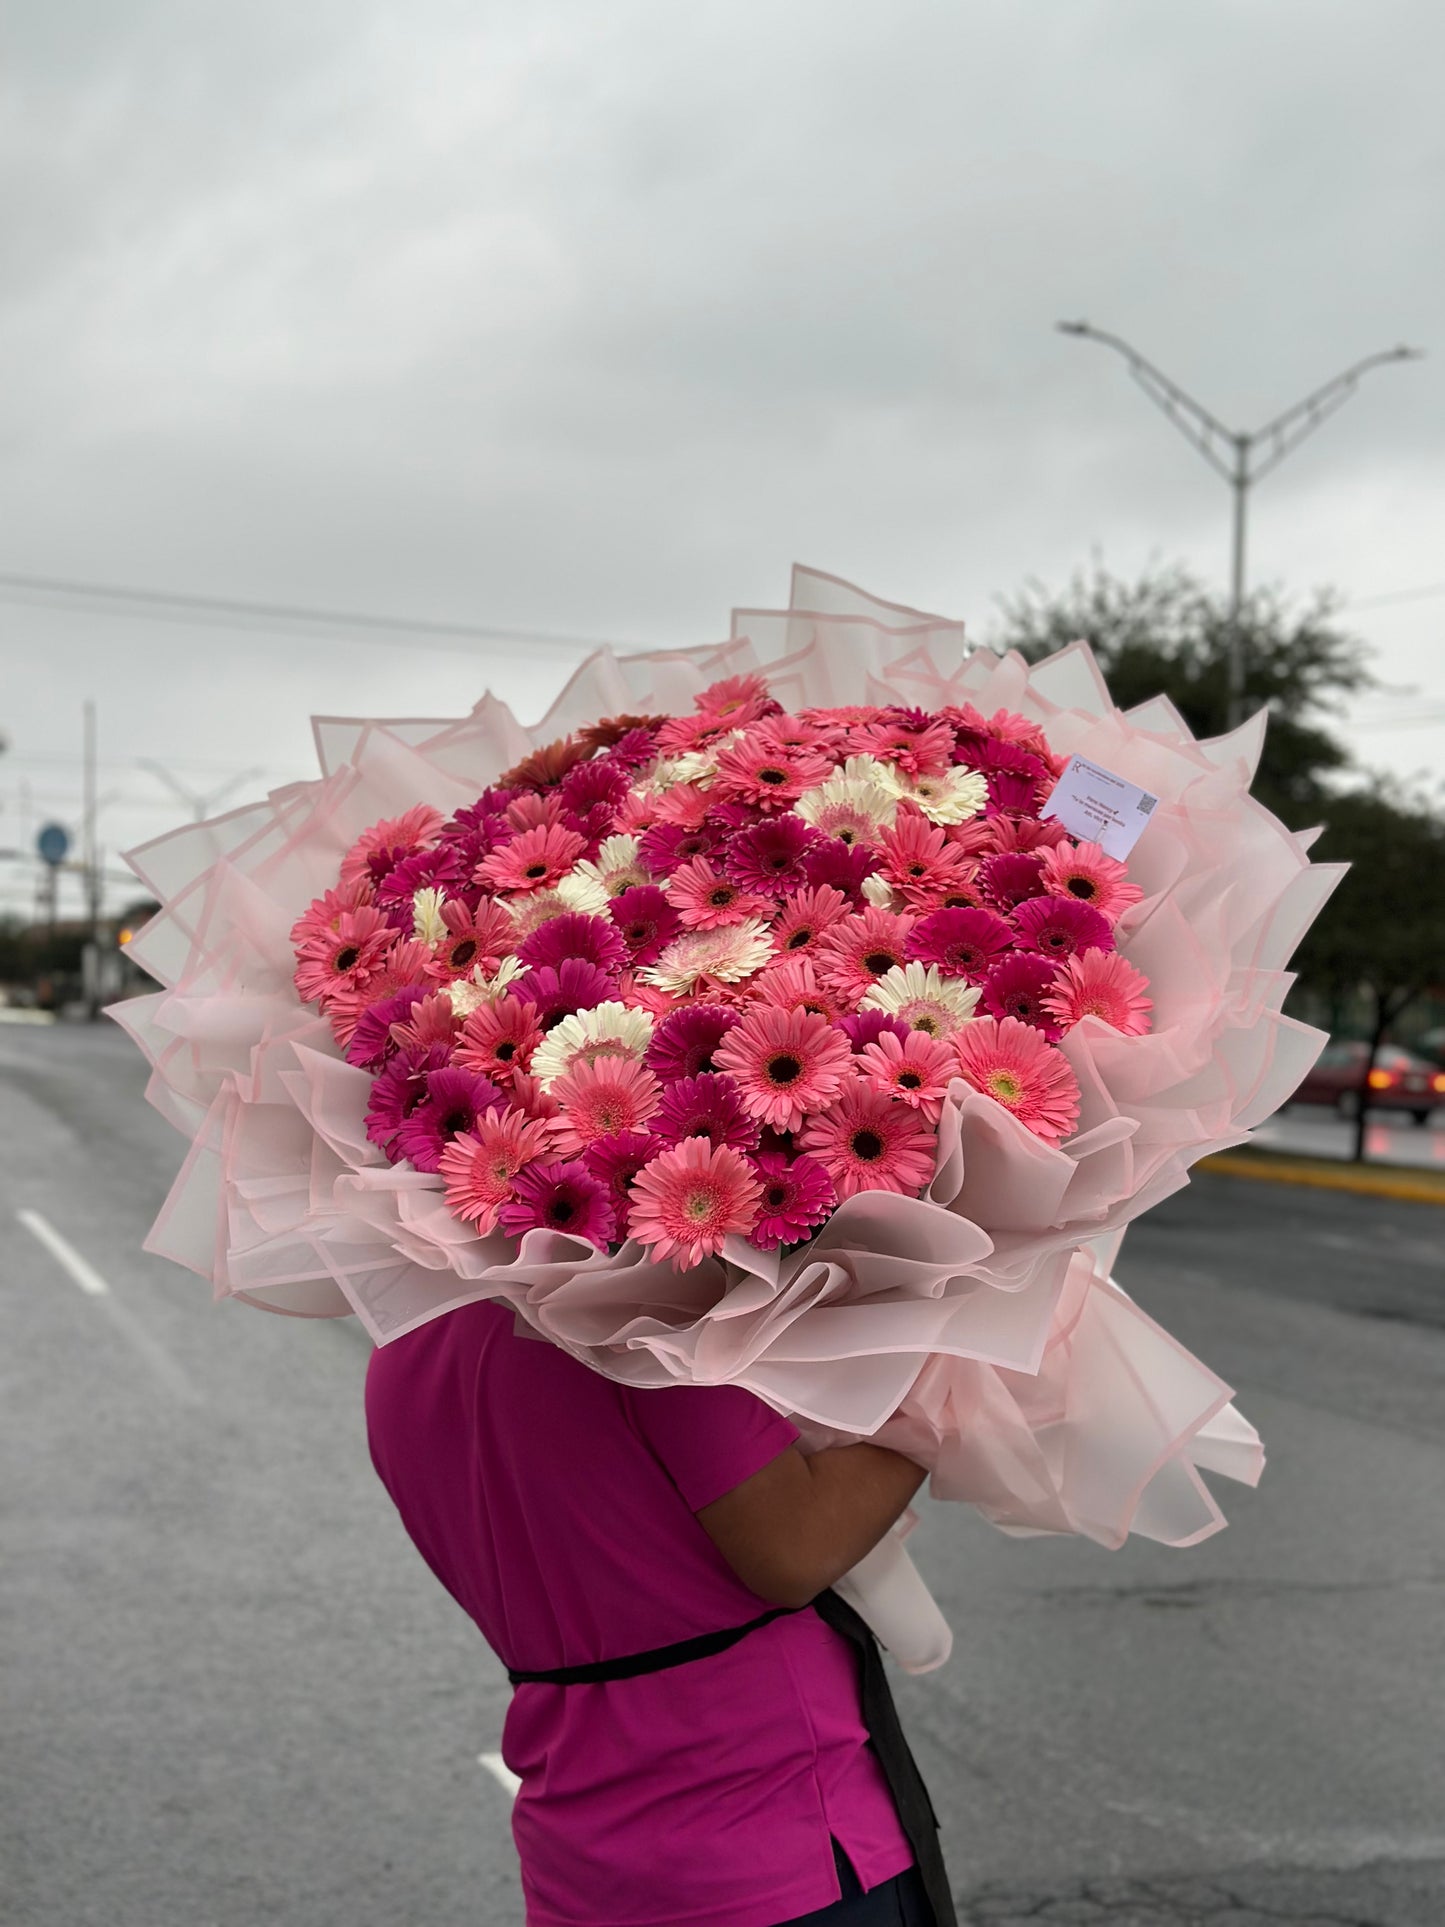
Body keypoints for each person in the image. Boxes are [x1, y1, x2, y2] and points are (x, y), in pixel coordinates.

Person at [366, 1294, 952, 1927]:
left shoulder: (400, 1347)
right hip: (775, 1830)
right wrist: (940, 1393)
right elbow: (794, 1550)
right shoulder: (636, 1319)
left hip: (577, 1858)